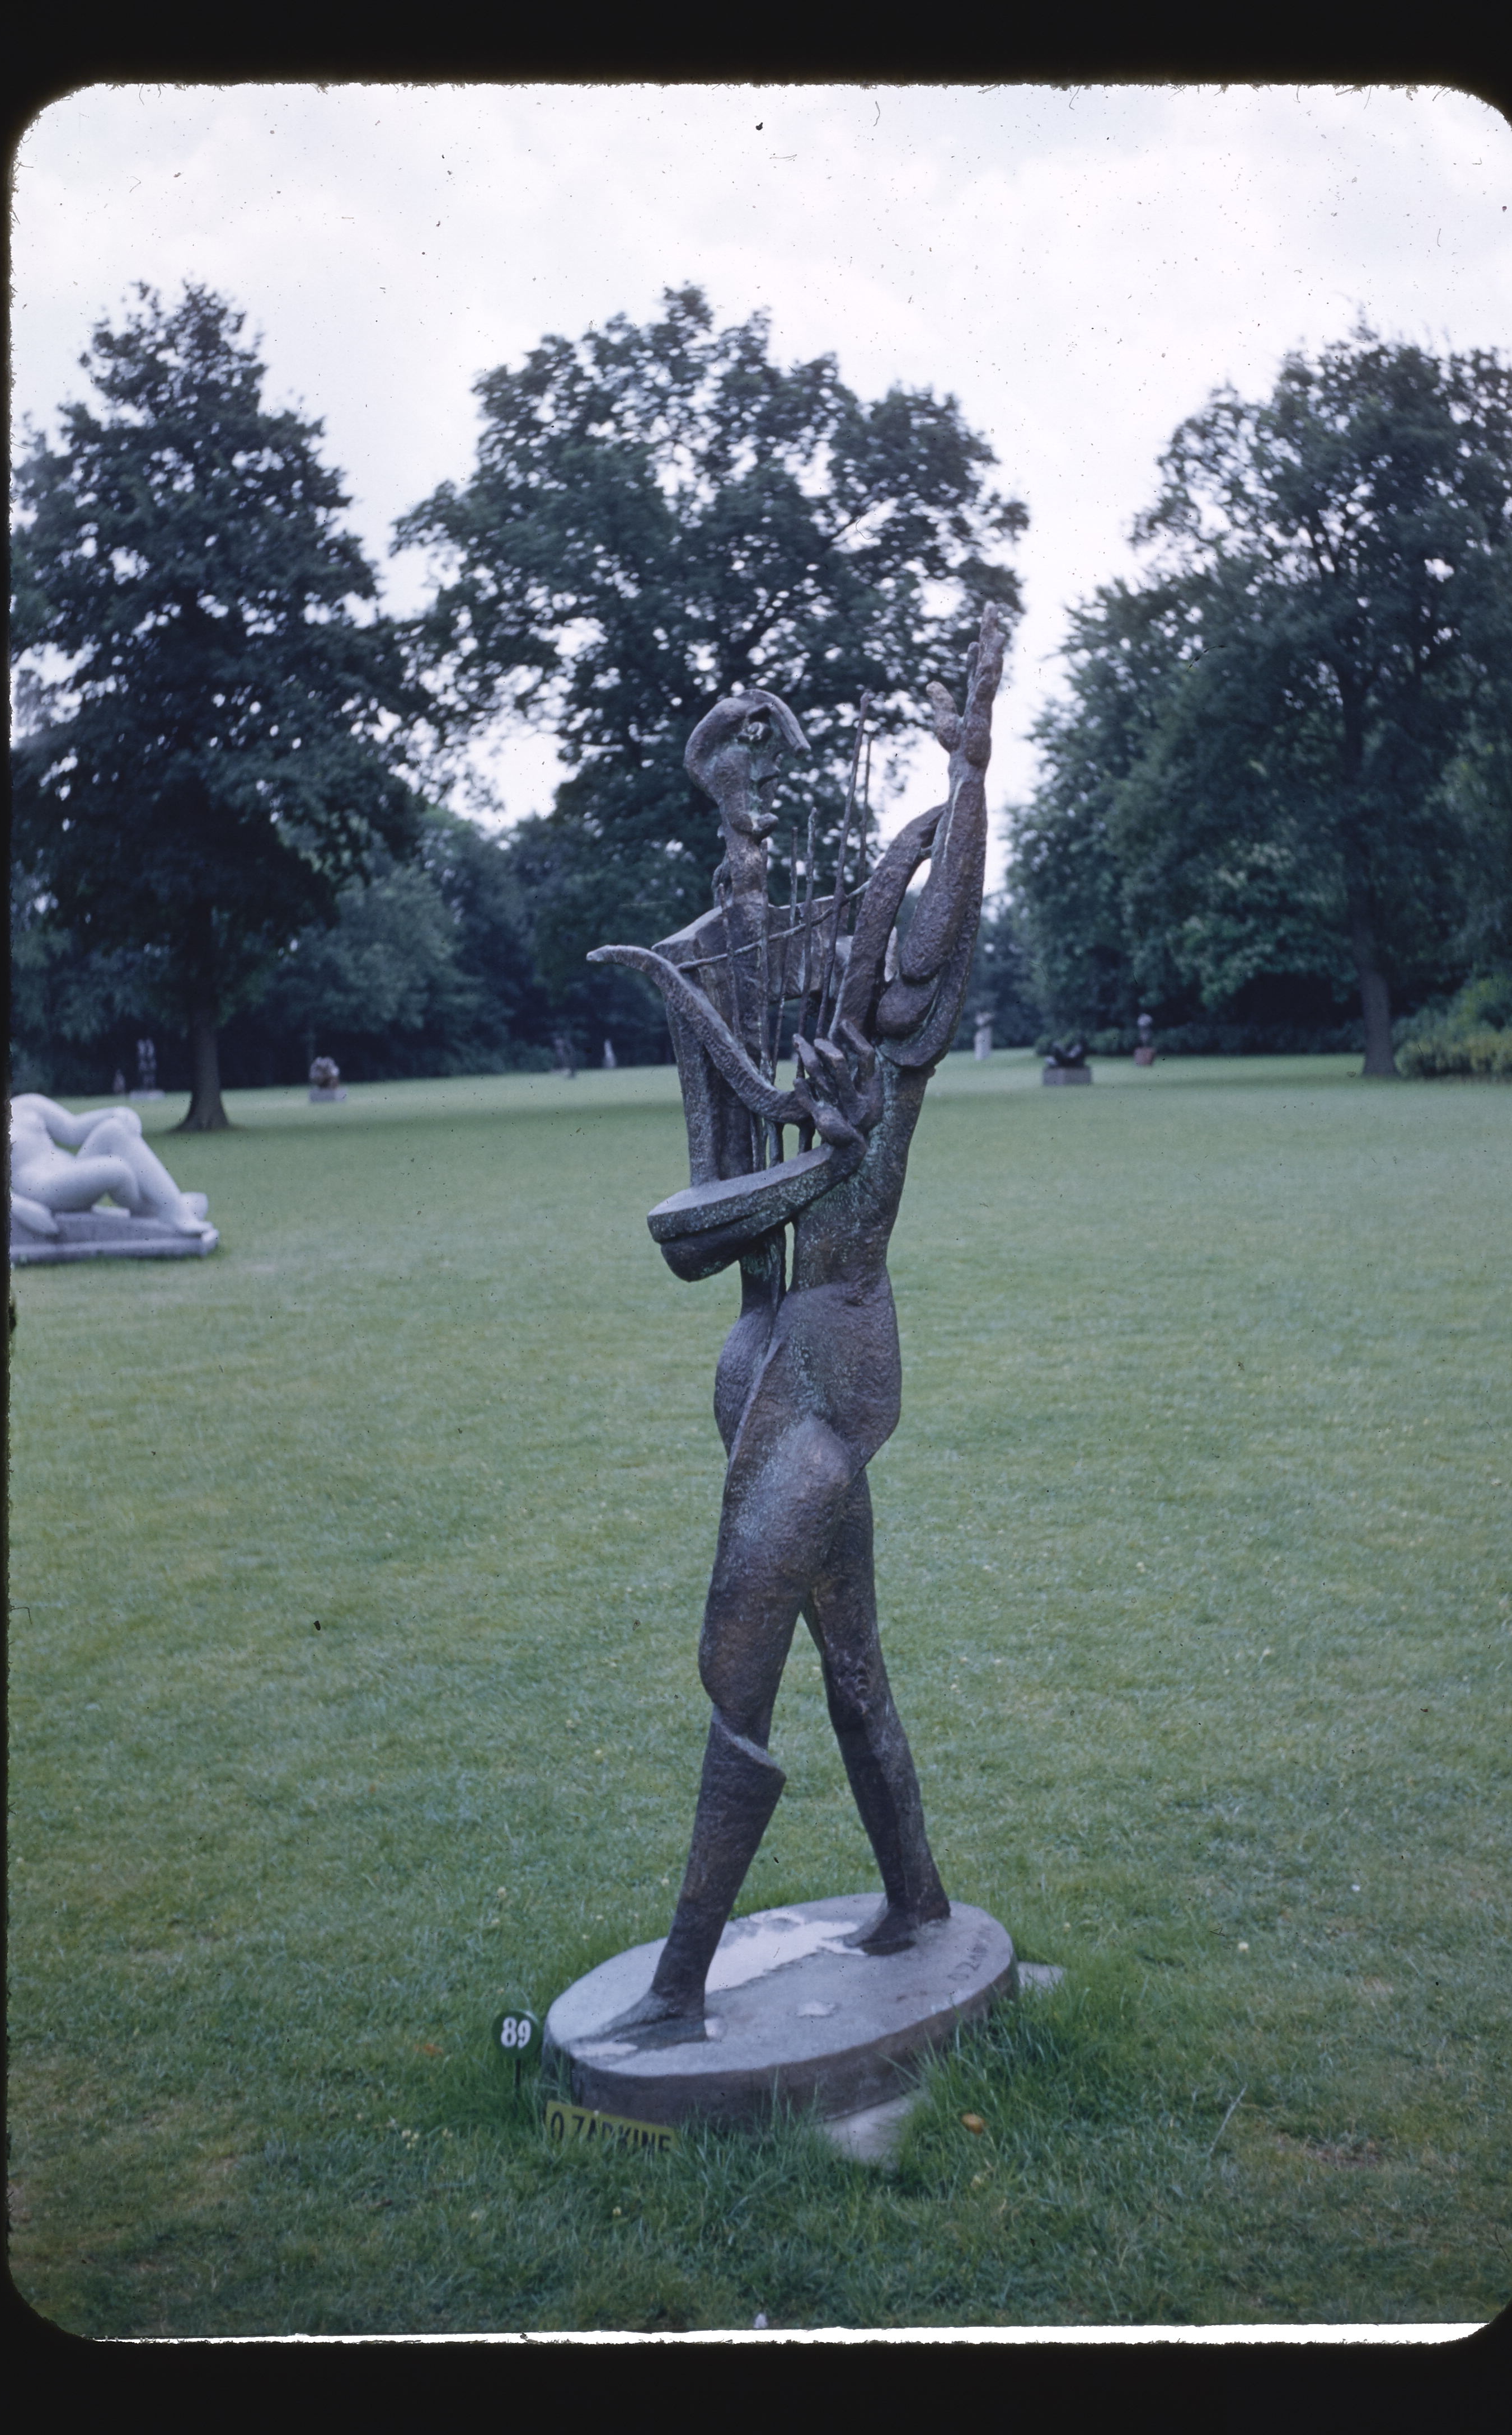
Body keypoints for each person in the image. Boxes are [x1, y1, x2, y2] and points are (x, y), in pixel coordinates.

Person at [587, 604, 1006, 2035]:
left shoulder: (893, 1057)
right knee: (854, 1666)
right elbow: (696, 1233)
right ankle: (919, 1897)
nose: (856, 958)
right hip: (765, 1365)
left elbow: (941, 924)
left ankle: (677, 1987)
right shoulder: (800, 1035)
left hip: (828, 1385)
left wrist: (968, 777)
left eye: (872, 936)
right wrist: (735, 820)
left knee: (740, 1671)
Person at [10, 1095, 210, 1237]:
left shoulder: (27, 1104)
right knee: (117, 1170)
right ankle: (154, 1208)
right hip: (42, 1188)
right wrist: (22, 1208)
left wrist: (115, 1113)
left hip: (71, 1170)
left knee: (115, 1129)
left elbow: (73, 1129)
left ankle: (173, 1209)